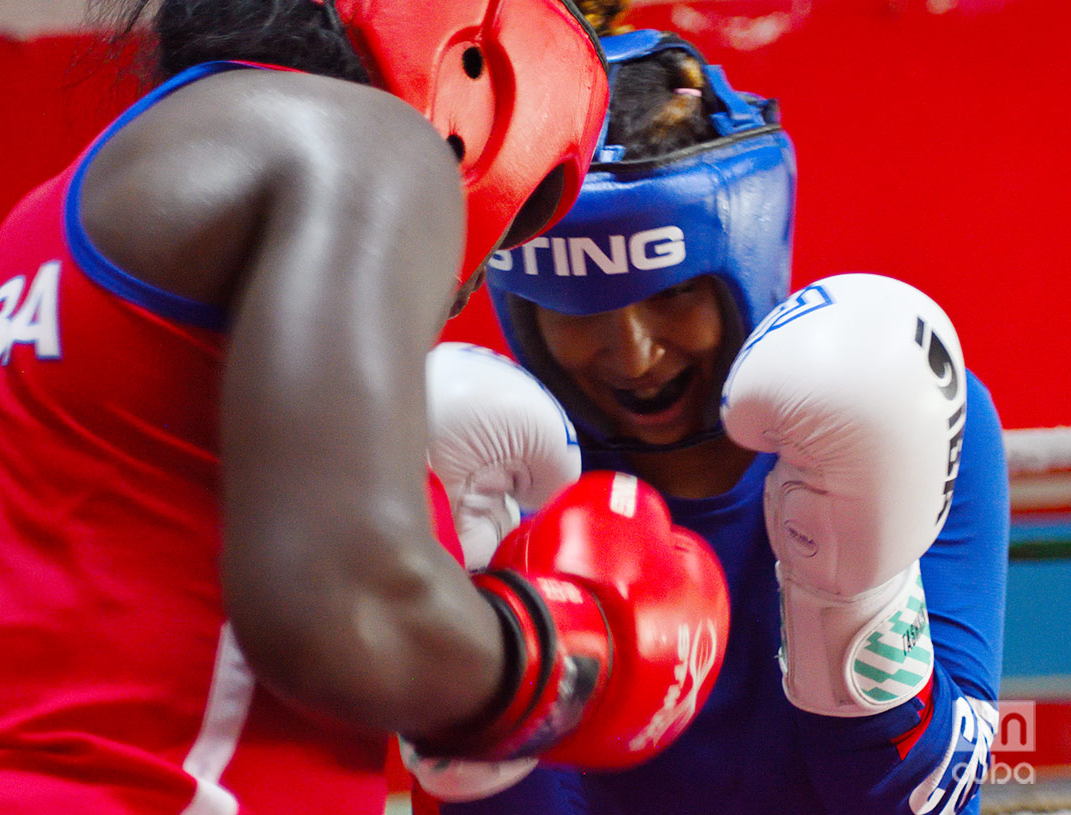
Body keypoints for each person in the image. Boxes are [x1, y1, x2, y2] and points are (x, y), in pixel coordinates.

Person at [0, 2, 734, 813]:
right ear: (473, 56)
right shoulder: (365, 142)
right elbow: (345, 609)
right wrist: (573, 650)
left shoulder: (16, 245)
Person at [431, 27, 1010, 815]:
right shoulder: (489, 466)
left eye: (672, 295)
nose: (632, 355)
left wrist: (856, 604)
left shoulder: (909, 402)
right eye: (580, 309)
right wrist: (477, 699)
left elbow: (918, 800)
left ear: (740, 262)